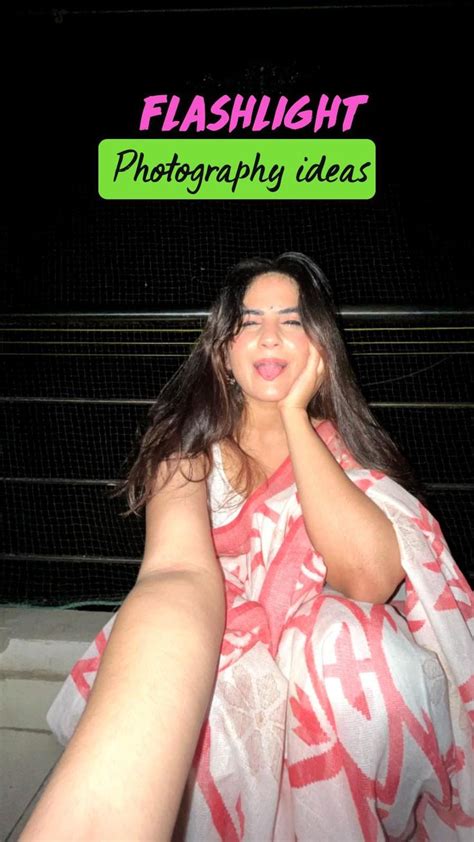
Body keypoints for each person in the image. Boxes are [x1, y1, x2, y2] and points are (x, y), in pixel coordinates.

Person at [22, 253, 473, 841]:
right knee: (221, 696)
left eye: (291, 320)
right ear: (224, 351)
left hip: (324, 672)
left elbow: (369, 577)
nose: (269, 337)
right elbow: (176, 571)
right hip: (212, 634)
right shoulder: (187, 450)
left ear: (320, 345)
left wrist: (294, 417)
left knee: (357, 645)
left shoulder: (343, 450)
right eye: (250, 321)